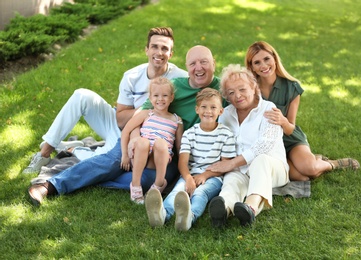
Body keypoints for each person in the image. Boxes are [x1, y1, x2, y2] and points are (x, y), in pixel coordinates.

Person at [27, 45, 223, 206]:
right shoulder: (175, 86)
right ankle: (50, 185)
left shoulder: (223, 91)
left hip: (167, 152)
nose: (199, 68)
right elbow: (142, 115)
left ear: (213, 63)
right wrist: (135, 139)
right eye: (193, 63)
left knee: (146, 181)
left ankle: (90, 176)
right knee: (113, 162)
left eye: (204, 62)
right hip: (143, 139)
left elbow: (246, 99)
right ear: (186, 67)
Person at [23, 27, 187, 174]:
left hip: (145, 137)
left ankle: (74, 149)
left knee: (101, 160)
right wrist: (147, 110)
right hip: (120, 127)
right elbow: (120, 119)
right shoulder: (132, 76)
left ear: (171, 54)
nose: (159, 52)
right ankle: (44, 153)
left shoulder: (180, 77)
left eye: (164, 48)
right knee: (82, 95)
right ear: (146, 50)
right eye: (154, 47)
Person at [245, 41, 360, 181]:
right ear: (252, 67)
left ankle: (333, 164)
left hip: (289, 138)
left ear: (274, 58)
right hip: (266, 144)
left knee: (310, 169)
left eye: (266, 59)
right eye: (257, 62)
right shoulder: (249, 89)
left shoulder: (292, 87)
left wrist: (282, 121)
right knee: (302, 177)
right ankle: (316, 159)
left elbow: (290, 128)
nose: (263, 65)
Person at [207, 64, 289, 227]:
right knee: (231, 181)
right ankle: (224, 209)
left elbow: (264, 145)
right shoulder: (226, 114)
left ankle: (250, 208)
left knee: (261, 160)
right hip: (241, 170)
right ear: (227, 97)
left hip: (271, 168)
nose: (237, 96)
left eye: (242, 89)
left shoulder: (268, 108)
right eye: (231, 93)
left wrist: (231, 163)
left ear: (253, 87)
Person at [144, 88, 236, 231]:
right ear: (197, 109)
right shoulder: (190, 133)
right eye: (204, 107)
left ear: (220, 111)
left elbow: (225, 164)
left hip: (214, 177)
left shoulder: (226, 134)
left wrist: (205, 175)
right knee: (178, 191)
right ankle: (163, 214)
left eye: (213, 107)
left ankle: (189, 217)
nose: (208, 111)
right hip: (190, 174)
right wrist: (188, 178)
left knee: (200, 193)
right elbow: (182, 162)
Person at [120, 77, 183, 204]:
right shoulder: (146, 114)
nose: (160, 99)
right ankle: (136, 186)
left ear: (171, 97)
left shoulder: (177, 120)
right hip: (140, 155)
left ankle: (159, 184)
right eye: (156, 95)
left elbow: (179, 147)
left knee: (161, 143)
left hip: (159, 159)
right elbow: (126, 131)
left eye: (165, 95)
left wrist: (184, 167)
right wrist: (125, 155)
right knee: (143, 142)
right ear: (150, 97)